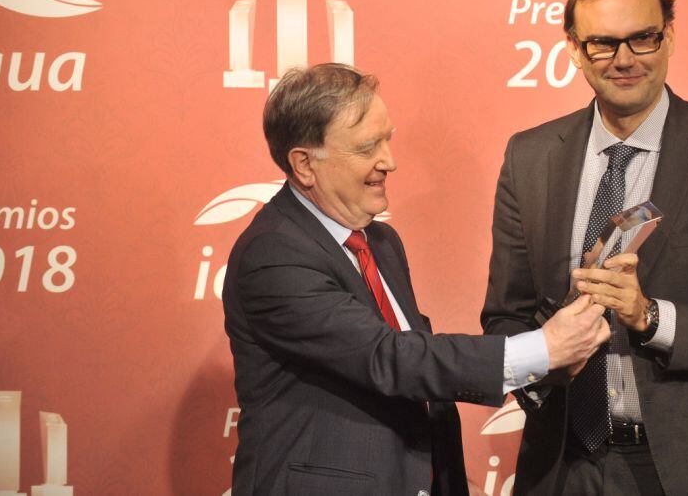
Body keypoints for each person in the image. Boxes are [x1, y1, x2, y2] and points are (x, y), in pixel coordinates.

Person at [481, 0, 688, 495]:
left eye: (643, 38)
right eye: (603, 43)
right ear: (575, 50)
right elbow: (506, 315)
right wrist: (547, 361)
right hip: (564, 464)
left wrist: (650, 316)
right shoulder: (529, 157)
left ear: (669, 36)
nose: (624, 59)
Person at [222, 63, 610, 496]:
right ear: (305, 164)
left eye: (388, 139)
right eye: (368, 147)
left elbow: (418, 378)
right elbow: (389, 358)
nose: (390, 161)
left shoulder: (379, 241)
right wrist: (542, 348)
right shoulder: (273, 255)